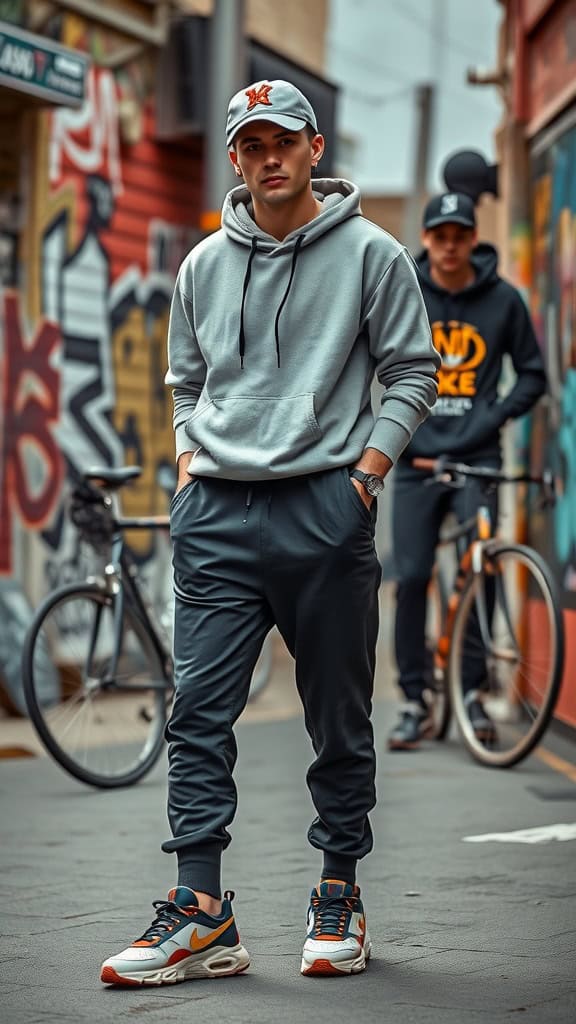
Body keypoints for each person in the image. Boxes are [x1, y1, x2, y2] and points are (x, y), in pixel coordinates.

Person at [101, 78, 439, 987]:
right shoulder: (203, 266)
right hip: (217, 515)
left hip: (324, 510)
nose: (268, 157)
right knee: (198, 713)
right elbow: (183, 379)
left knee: (337, 717)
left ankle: (338, 892)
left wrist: (364, 479)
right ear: (236, 159)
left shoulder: (374, 255)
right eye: (250, 145)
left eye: (283, 139)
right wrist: (185, 462)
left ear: (315, 148)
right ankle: (201, 910)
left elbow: (413, 373)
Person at [388, 191, 547, 752]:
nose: (450, 246)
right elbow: (372, 364)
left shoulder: (503, 300)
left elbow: (532, 375)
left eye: (460, 236)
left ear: (472, 240)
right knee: (410, 577)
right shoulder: (403, 290)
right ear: (427, 239)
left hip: (477, 457)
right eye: (439, 236)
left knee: (482, 568)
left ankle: (473, 694)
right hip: (415, 459)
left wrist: (492, 416)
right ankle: (413, 699)